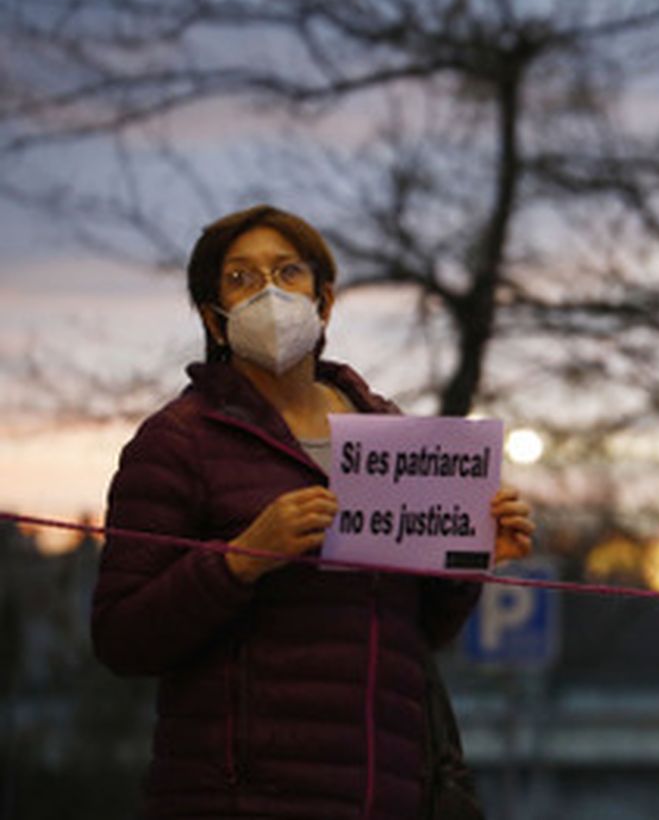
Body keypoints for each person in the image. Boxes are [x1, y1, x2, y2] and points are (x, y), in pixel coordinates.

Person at [91, 205, 535, 818]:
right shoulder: (177, 444)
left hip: (385, 795)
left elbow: (419, 633)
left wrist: (472, 558)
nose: (268, 294)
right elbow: (121, 639)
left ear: (324, 302)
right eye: (240, 279)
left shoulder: (392, 438)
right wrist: (240, 562)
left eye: (287, 272)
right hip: (236, 800)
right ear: (213, 320)